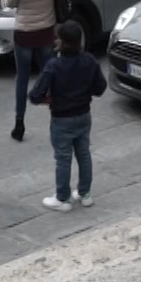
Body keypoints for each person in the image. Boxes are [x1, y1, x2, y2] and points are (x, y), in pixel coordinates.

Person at [31, 20, 107, 212]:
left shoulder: (54, 65)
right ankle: (85, 193)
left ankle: (62, 198)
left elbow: (35, 95)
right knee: (83, 153)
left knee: (63, 158)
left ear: (62, 42)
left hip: (61, 119)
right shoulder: (89, 60)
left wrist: (49, 100)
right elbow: (100, 88)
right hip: (83, 115)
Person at [3, 0, 60, 142]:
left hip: (25, 34)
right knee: (50, 74)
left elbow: (8, 2)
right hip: (46, 30)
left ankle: (19, 123)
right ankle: (57, 116)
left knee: (22, 78)